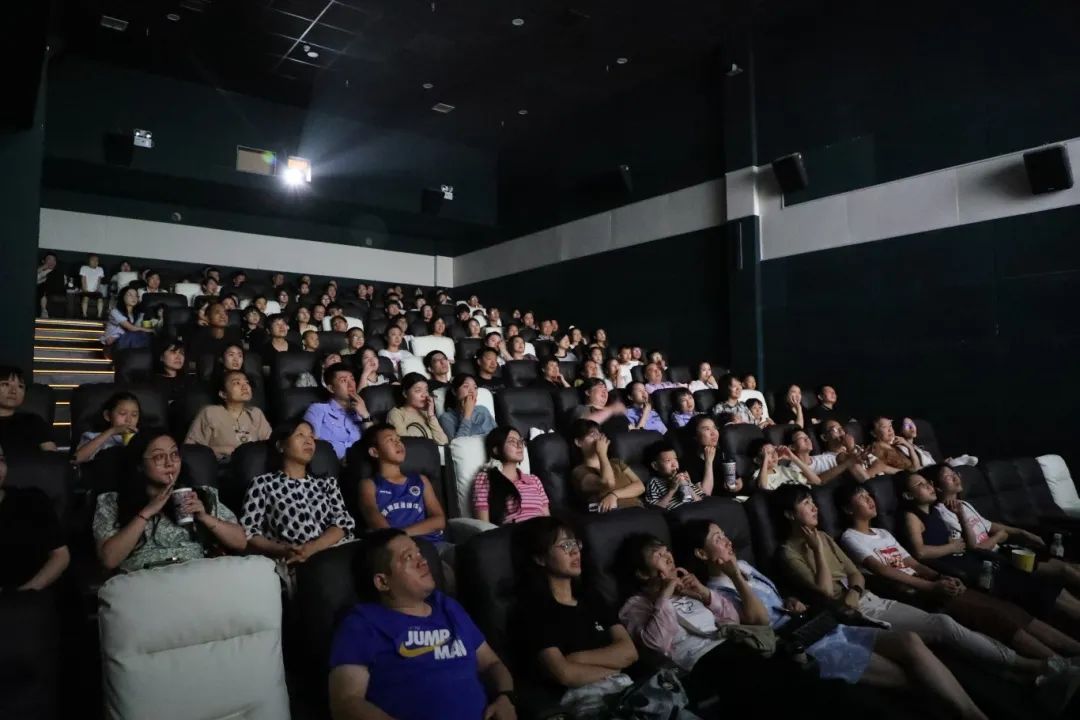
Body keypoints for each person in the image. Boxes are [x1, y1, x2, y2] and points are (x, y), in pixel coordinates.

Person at [685, 520, 1039, 712]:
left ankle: (1003, 687)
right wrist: (734, 577)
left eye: (724, 533)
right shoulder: (714, 592)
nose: (727, 540)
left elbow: (775, 598)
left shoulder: (746, 566)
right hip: (803, 645)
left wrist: (790, 600)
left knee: (911, 641)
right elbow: (759, 622)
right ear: (702, 554)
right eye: (717, 538)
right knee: (911, 678)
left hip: (818, 624)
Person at [779, 484, 1078, 699]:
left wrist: (938, 577)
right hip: (853, 610)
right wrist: (816, 551)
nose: (814, 507)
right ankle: (1039, 667)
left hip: (868, 599)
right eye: (806, 503)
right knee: (948, 625)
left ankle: (1037, 670)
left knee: (961, 620)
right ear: (790, 514)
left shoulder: (827, 537)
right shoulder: (791, 551)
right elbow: (823, 590)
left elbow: (858, 573)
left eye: (813, 501)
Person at [328, 528, 517, 720]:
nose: (423, 560)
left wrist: (505, 697)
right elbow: (346, 702)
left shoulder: (447, 607)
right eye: (408, 557)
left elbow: (491, 663)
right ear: (382, 582)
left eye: (419, 552)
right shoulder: (362, 623)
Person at [899, 471, 1080, 638]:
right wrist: (952, 547)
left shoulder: (940, 512)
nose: (928, 486)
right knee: (1041, 587)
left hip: (985, 559)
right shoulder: (916, 515)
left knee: (1048, 583)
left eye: (928, 482)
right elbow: (920, 552)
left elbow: (971, 539)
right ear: (908, 495)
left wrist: (961, 522)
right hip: (971, 567)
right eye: (920, 484)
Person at [518, 517, 639, 711]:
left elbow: (629, 652)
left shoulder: (592, 597)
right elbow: (564, 674)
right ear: (540, 558)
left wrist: (575, 659)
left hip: (624, 691)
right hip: (583, 702)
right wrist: (614, 668)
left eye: (575, 543)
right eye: (565, 545)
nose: (575, 551)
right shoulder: (534, 611)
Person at [93, 429, 246, 573]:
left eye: (174, 454)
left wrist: (204, 517)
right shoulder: (113, 501)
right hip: (145, 578)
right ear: (140, 465)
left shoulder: (200, 494)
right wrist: (147, 512)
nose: (170, 463)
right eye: (159, 457)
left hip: (194, 574)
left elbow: (240, 542)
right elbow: (109, 560)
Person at [928, 463, 1080, 596]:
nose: (956, 477)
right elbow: (974, 548)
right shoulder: (942, 515)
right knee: (1063, 570)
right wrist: (998, 537)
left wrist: (1022, 533)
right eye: (948, 476)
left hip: (1003, 551)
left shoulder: (963, 504)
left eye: (954, 473)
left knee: (1066, 565)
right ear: (937, 487)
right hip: (994, 561)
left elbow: (990, 526)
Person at [242, 419, 355, 565]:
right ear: (281, 446)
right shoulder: (262, 484)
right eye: (300, 435)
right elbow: (249, 531)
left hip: (335, 552)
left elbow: (343, 522)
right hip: (291, 559)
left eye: (311, 437)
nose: (309, 441)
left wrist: (313, 548)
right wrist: (282, 549)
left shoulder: (327, 483)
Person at [356, 424, 446, 544]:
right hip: (401, 549)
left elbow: (439, 521)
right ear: (374, 452)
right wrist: (395, 540)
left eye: (398, 439)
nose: (398, 443)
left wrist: (400, 534)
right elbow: (372, 515)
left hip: (435, 544)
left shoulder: (420, 480)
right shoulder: (369, 485)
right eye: (390, 440)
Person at [0, 441, 70, 592]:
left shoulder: (32, 500)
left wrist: (23, 593)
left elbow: (61, 556)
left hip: (30, 596)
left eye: (1, 460)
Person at [185, 370, 272, 461]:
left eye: (247, 382)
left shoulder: (256, 413)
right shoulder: (210, 413)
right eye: (237, 383)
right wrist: (222, 451)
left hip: (254, 466)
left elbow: (271, 445)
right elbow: (191, 450)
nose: (245, 386)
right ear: (223, 394)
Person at [472, 426, 549, 525]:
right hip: (514, 532)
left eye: (520, 441)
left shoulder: (534, 480)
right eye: (512, 441)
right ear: (496, 450)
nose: (519, 445)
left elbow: (547, 517)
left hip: (543, 530)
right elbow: (484, 526)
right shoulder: (485, 479)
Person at [570, 419, 645, 512]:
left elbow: (640, 486)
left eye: (599, 434)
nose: (598, 438)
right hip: (614, 515)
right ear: (578, 442)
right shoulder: (579, 471)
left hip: (638, 509)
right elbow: (608, 483)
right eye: (593, 435)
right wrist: (602, 454)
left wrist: (614, 495)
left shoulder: (616, 462)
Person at [304, 363, 373, 459]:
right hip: (330, 464)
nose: (351, 385)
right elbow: (308, 443)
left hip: (361, 463)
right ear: (331, 388)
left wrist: (365, 415)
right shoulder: (317, 409)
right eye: (344, 380)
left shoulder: (360, 410)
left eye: (352, 379)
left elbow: (375, 443)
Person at [0, 366, 57, 457]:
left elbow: (52, 456)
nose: (13, 391)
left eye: (20, 386)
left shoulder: (34, 421)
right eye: (6, 384)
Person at [74, 392, 141, 464]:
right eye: (122, 413)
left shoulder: (142, 438)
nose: (129, 420)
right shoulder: (93, 437)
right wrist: (112, 431)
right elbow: (76, 459)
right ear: (107, 416)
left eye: (134, 415)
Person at [682, 415, 743, 495]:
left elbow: (739, 482)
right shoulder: (688, 461)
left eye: (714, 427)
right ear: (695, 436)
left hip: (731, 499)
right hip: (711, 501)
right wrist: (709, 461)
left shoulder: (722, 453)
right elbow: (705, 493)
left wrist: (735, 487)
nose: (714, 433)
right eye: (707, 429)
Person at [818, 419, 891, 480]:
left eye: (841, 428)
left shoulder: (857, 447)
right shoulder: (824, 459)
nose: (841, 431)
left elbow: (883, 467)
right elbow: (864, 478)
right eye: (835, 429)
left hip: (883, 479)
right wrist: (851, 448)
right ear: (824, 437)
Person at [387, 373, 449, 445]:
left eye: (426, 390)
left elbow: (443, 441)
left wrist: (431, 415)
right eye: (418, 390)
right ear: (405, 394)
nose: (424, 395)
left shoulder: (427, 413)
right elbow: (405, 444)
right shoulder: (396, 414)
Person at [644, 441, 709, 510]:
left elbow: (702, 502)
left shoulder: (683, 476)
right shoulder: (654, 482)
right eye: (668, 460)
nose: (674, 464)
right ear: (655, 466)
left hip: (698, 510)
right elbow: (655, 509)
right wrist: (672, 490)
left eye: (675, 459)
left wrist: (687, 485)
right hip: (681, 513)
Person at [788, 426, 855, 484]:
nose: (807, 439)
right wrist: (847, 462)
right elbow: (817, 481)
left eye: (807, 437)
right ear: (792, 447)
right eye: (801, 438)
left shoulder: (822, 457)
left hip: (848, 478)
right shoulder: (794, 468)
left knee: (842, 456)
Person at [438, 374, 496, 440]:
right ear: (454, 391)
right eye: (466, 386)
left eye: (475, 387)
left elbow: (498, 435)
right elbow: (458, 444)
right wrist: (467, 415)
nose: (471, 391)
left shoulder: (483, 410)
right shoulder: (446, 418)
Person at [752, 441, 821, 491]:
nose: (774, 455)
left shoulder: (783, 469)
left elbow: (817, 482)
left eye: (774, 451)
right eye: (768, 453)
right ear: (757, 460)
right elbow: (763, 488)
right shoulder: (758, 475)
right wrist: (765, 459)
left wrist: (793, 457)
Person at [79, 254, 106, 319]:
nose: (95, 262)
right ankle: (84, 315)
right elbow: (83, 279)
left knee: (100, 300)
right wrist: (84, 289)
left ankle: (99, 316)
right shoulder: (84, 268)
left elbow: (99, 280)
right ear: (89, 261)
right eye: (93, 260)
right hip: (86, 289)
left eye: (97, 260)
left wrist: (97, 289)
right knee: (85, 299)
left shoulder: (100, 269)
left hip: (95, 290)